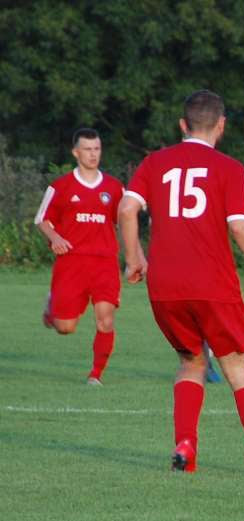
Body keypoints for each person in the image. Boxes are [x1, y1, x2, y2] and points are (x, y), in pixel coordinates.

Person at [118, 90, 244, 476]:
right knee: (239, 368)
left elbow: (127, 209)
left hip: (165, 286)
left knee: (190, 361)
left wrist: (134, 258)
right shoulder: (230, 168)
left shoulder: (154, 163)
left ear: (182, 125)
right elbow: (239, 226)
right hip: (211, 282)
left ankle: (186, 445)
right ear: (222, 125)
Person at [34, 128, 124, 386]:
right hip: (72, 263)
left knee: (105, 318)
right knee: (65, 328)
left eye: (97, 149)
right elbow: (42, 219)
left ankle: (95, 374)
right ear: (76, 152)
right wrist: (56, 238)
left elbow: (124, 220)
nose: (93, 154)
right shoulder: (61, 186)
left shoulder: (114, 187)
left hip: (105, 261)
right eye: (87, 149)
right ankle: (53, 308)